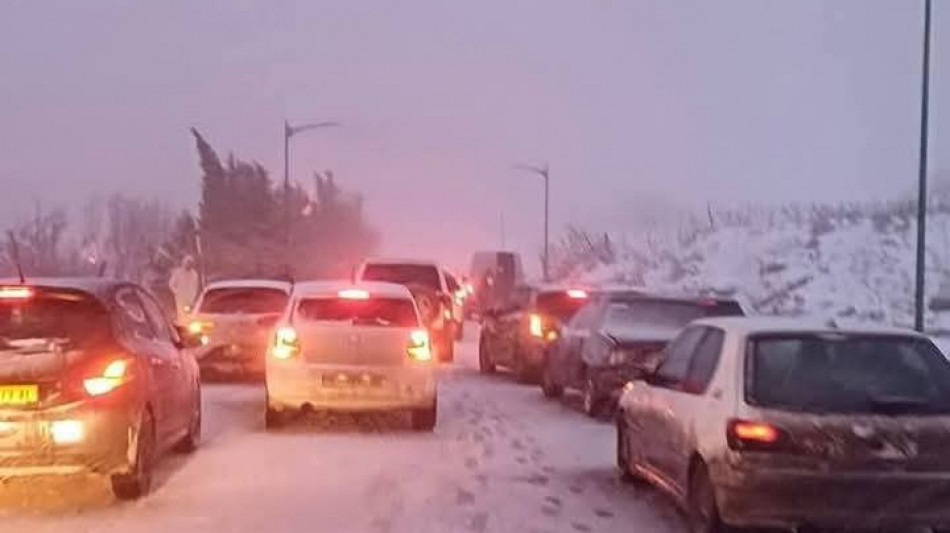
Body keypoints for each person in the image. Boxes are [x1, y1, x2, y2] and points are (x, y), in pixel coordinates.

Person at [168, 255, 200, 321]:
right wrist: (176, 292)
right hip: (180, 299)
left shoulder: (194, 274)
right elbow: (171, 284)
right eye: (187, 263)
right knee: (181, 315)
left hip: (190, 299)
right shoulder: (177, 273)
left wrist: (194, 296)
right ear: (183, 263)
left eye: (190, 263)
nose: (189, 265)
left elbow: (196, 286)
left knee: (190, 315)